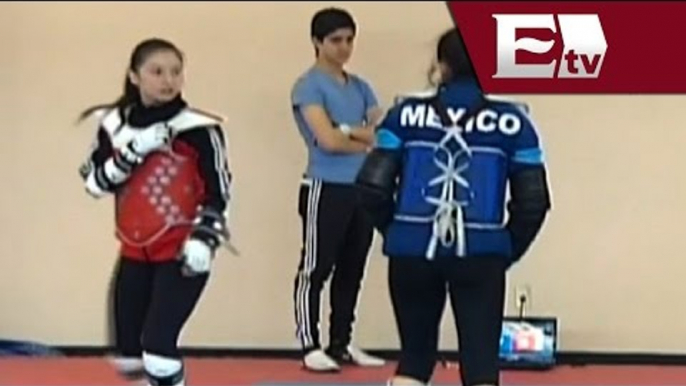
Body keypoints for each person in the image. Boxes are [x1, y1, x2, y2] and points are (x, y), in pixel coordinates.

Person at [355, 28, 552, 386]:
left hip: (411, 251)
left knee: (413, 360)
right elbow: (533, 202)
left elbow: (372, 186)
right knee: (480, 364)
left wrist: (397, 232)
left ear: (441, 66)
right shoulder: (515, 124)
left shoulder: (403, 116)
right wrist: (503, 248)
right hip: (481, 252)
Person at [77, 38, 232, 386]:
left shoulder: (197, 128)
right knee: (128, 357)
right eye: (157, 72)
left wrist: (205, 240)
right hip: (134, 251)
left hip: (181, 251)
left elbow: (219, 192)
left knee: (159, 351)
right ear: (135, 76)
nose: (168, 80)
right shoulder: (114, 125)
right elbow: (94, 184)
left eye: (176, 72)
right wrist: (131, 153)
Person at [290, 7, 386, 372]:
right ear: (317, 42)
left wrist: (347, 129)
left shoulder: (360, 86)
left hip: (360, 188)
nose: (344, 47)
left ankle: (340, 342)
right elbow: (326, 141)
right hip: (324, 186)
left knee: (352, 269)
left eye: (349, 40)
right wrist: (356, 135)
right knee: (316, 267)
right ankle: (308, 343)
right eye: (336, 40)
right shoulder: (308, 86)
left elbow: (383, 131)